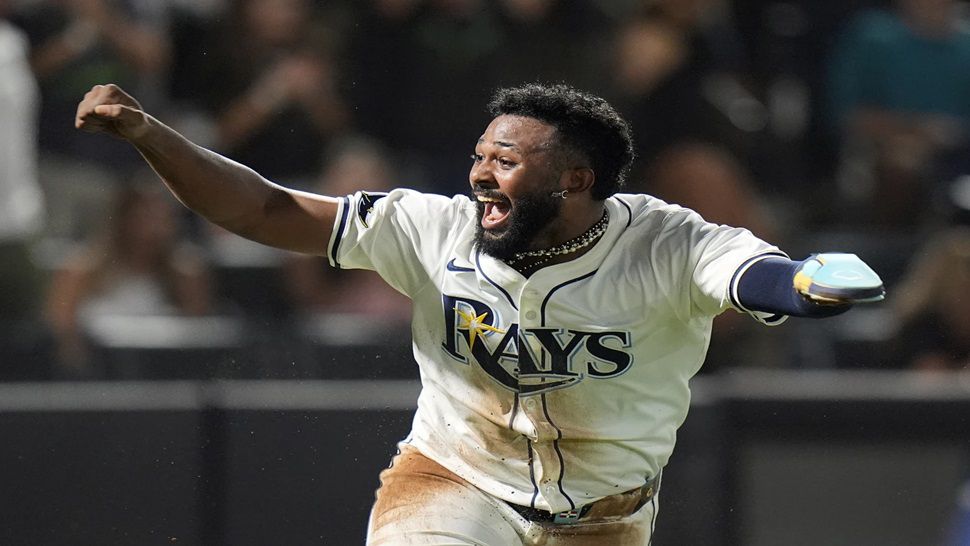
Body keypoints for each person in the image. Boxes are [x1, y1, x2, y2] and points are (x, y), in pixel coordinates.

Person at [74, 82, 882, 545]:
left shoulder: (665, 242)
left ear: (573, 180)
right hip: (455, 480)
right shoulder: (433, 228)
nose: (481, 177)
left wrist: (808, 285)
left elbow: (760, 274)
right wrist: (152, 134)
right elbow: (264, 211)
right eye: (479, 157)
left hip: (606, 519)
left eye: (507, 160)